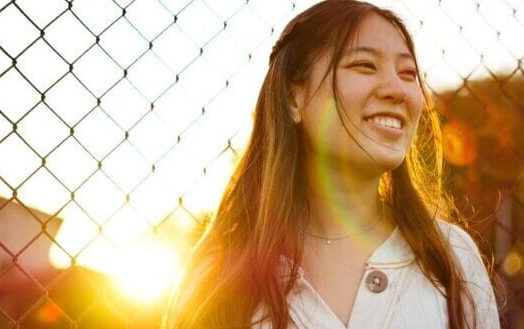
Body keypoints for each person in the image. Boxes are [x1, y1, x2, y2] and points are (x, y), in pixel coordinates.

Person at [164, 0, 500, 328]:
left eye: (408, 73)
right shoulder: (218, 273)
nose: (398, 90)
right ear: (294, 98)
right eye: (364, 66)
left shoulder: (452, 257)